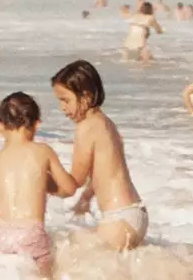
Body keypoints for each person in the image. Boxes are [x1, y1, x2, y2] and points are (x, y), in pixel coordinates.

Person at [51, 60, 147, 250]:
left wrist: (43, 184)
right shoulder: (106, 123)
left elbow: (73, 182)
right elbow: (107, 170)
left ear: (85, 97)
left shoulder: (86, 127)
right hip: (134, 213)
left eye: (66, 100)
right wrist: (86, 197)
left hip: (118, 218)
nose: (62, 107)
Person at [0, 92, 77, 279]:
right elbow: (69, 188)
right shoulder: (42, 151)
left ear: (1, 126)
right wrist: (49, 185)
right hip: (30, 233)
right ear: (37, 124)